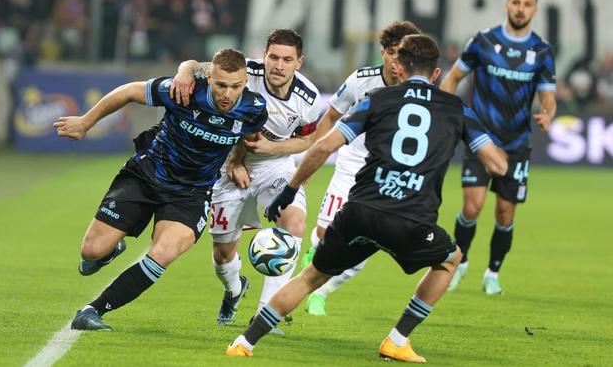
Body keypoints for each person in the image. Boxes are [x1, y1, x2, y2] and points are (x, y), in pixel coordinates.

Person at [225, 34, 508, 362]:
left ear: (399, 68)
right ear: (435, 74)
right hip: (412, 219)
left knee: (312, 276)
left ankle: (244, 342)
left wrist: (290, 190)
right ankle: (397, 339)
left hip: (361, 210)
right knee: (450, 258)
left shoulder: (377, 98)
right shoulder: (456, 108)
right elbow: (497, 164)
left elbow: (323, 147)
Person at [54, 48, 268, 330]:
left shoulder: (254, 108)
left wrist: (237, 162)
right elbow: (129, 91)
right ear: (210, 77)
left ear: (244, 83)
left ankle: (94, 310)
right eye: (221, 85)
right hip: (146, 175)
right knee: (91, 252)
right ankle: (110, 248)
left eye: (236, 86)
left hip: (191, 194)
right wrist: (85, 122)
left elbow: (248, 136)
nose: (228, 94)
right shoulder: (184, 91)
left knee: (165, 251)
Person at [170, 29, 321, 333]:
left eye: (287, 59)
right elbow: (196, 67)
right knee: (223, 253)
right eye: (273, 57)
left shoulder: (310, 98)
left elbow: (307, 140)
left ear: (299, 62)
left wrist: (272, 148)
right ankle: (234, 289)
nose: (278, 65)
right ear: (263, 56)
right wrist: (184, 69)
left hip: (275, 166)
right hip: (228, 168)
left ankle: (267, 314)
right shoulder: (244, 73)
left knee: (293, 225)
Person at [440, 0, 557, 295]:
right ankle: (459, 263)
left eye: (527, 4)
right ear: (507, 4)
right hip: (481, 139)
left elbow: (548, 96)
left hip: (517, 144)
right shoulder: (483, 41)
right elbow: (453, 77)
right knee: (472, 206)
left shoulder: (542, 52)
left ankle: (492, 273)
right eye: (515, 2)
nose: (520, 8)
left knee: (505, 212)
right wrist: (445, 111)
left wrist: (547, 114)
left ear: (534, 9)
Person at [300, 20, 420, 316]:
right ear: (382, 52)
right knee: (327, 233)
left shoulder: (420, 89)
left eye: (402, 54)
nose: (396, 61)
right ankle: (312, 258)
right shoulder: (361, 80)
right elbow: (331, 116)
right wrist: (313, 160)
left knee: (365, 244)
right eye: (392, 52)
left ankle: (322, 292)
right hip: (352, 164)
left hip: (389, 174)